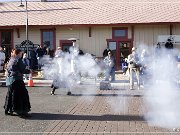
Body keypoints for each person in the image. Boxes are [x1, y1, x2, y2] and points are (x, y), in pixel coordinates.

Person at [4, 49, 31, 118]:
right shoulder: (18, 59)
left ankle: (8, 110)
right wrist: (29, 71)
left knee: (10, 94)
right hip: (17, 80)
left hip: (10, 80)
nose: (21, 55)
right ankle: (21, 112)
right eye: (21, 54)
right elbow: (22, 69)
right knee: (22, 95)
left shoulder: (11, 59)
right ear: (18, 53)